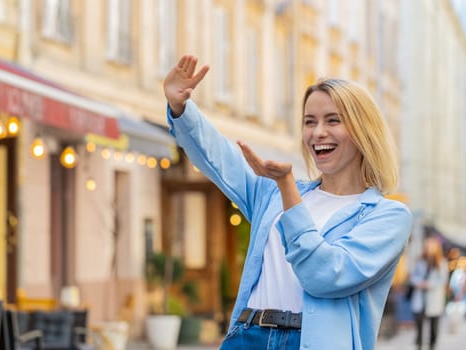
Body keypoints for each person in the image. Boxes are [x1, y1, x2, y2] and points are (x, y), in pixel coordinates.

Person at [163, 55, 413, 350]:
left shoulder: (387, 216)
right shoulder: (272, 195)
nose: (318, 132)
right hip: (248, 337)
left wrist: (287, 187)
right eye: (310, 122)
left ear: (363, 131)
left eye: (333, 120)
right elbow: (220, 159)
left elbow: (324, 274)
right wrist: (181, 108)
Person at [409, 236, 448, 350]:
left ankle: (432, 345)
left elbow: (442, 280)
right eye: (427, 246)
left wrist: (429, 284)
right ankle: (419, 345)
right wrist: (419, 283)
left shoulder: (442, 262)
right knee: (419, 325)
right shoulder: (419, 261)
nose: (428, 248)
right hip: (420, 297)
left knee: (434, 326)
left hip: (433, 298)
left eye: (431, 246)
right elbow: (412, 277)